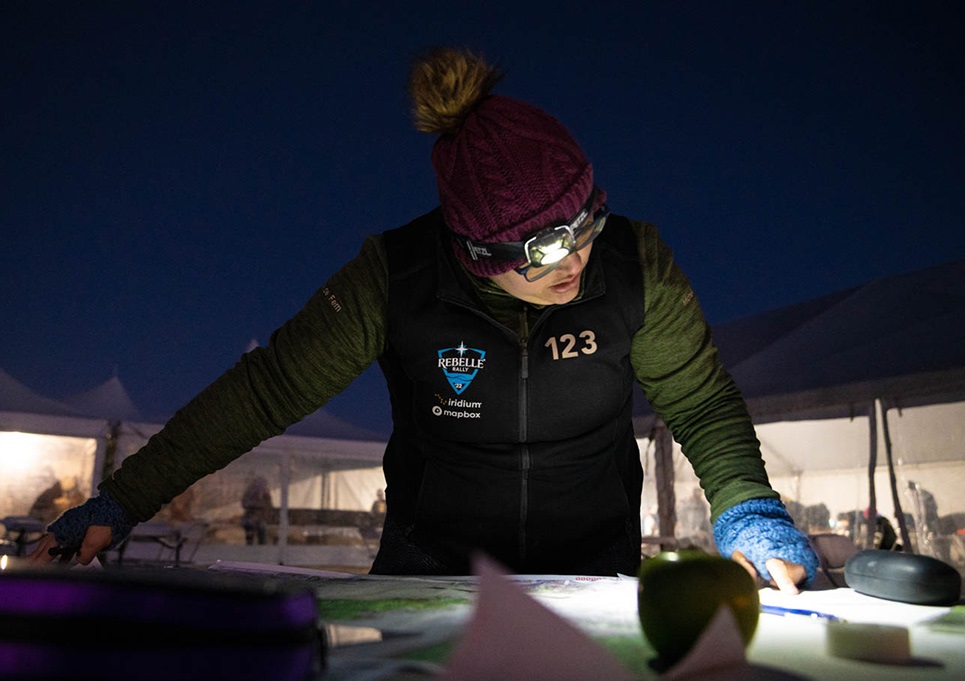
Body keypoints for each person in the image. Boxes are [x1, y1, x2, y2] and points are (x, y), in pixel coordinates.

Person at [30, 48, 818, 592]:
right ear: (477, 251)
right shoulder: (394, 278)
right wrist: (125, 499)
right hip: (433, 567)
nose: (573, 259)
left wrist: (748, 508)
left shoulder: (635, 263)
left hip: (594, 568)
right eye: (541, 248)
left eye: (583, 223)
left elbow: (702, 401)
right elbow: (264, 393)